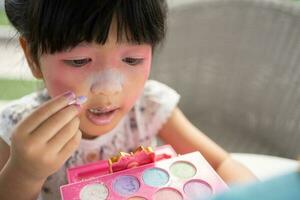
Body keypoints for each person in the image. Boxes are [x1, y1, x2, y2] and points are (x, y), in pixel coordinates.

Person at [0, 0, 256, 199]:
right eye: (79, 60)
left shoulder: (149, 107)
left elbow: (222, 164)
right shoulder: (18, 130)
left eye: (132, 59)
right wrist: (24, 172)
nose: (109, 89)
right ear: (33, 58)